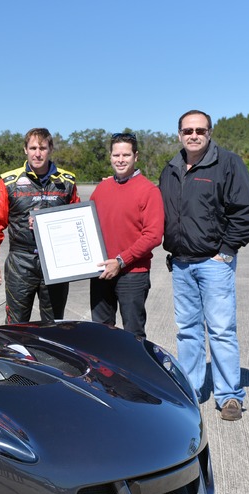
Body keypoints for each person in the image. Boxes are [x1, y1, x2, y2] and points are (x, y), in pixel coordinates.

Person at [159, 110, 249, 421]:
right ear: (179, 134)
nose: (194, 135)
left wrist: (227, 250)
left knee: (220, 330)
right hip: (181, 264)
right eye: (188, 130)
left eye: (200, 130)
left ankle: (229, 395)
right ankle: (191, 390)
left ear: (209, 132)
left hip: (214, 264)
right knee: (187, 331)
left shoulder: (228, 164)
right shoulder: (171, 168)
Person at [0, 128, 79, 323]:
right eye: (33, 148)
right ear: (25, 150)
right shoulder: (9, 182)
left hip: (56, 263)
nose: (37, 153)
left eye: (43, 148)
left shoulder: (67, 182)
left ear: (50, 149)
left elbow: (77, 221)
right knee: (16, 325)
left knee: (54, 325)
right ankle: (15, 355)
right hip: (21, 261)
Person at [89, 132, 164, 340]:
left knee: (133, 336)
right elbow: (84, 222)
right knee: (101, 333)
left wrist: (121, 261)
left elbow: (153, 236)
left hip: (133, 273)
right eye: (116, 155)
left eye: (126, 155)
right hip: (102, 271)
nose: (120, 160)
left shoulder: (149, 191)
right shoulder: (102, 188)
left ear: (135, 156)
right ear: (110, 156)